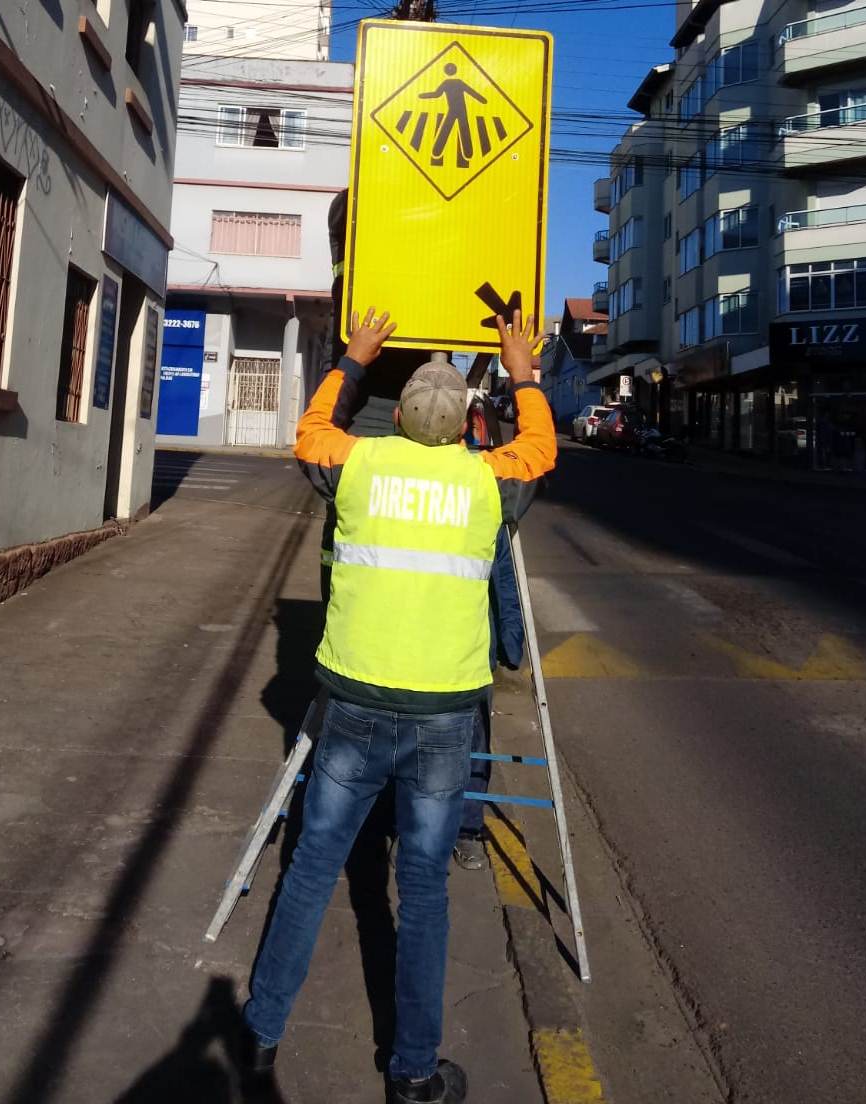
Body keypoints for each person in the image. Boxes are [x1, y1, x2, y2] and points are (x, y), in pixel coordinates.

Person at [243, 306, 556, 1103]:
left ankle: (260, 1033)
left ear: (406, 414)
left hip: (351, 703)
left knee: (312, 865)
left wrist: (351, 360)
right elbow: (542, 449)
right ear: (461, 428)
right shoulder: (488, 483)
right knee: (422, 887)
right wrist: (522, 372)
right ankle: (413, 1071)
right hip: (444, 720)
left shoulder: (361, 466)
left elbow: (310, 431)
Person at [452, 522, 523, 870]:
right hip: (416, 649)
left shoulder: (484, 491)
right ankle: (409, 828)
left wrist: (511, 643)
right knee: (411, 748)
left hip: (475, 650)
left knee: (473, 747)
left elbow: (505, 576)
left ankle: (467, 828)